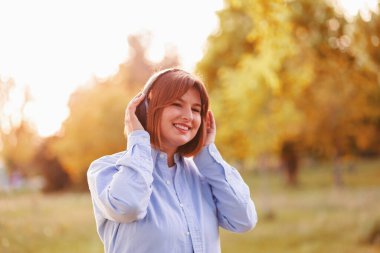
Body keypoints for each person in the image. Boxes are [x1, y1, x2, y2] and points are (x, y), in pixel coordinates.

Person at [87, 68, 257, 253]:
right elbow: (128, 206)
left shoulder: (204, 176)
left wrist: (207, 154)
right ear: (146, 109)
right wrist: (137, 137)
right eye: (177, 104)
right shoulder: (106, 169)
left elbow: (244, 220)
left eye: (196, 109)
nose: (188, 116)